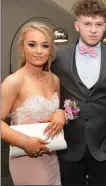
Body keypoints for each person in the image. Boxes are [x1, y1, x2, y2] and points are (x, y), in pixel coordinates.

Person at [51, 0, 106, 186]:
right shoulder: (58, 56)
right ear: (77, 26)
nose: (93, 30)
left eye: (99, 24)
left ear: (105, 26)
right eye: (87, 23)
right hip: (68, 145)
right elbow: (50, 93)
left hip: (105, 146)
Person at [1, 21, 65, 185]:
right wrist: (24, 142)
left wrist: (60, 113)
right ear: (22, 47)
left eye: (44, 46)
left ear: (51, 50)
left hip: (51, 155)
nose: (39, 51)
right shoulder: (13, 82)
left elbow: (55, 110)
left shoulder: (54, 79)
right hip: (25, 157)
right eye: (32, 45)